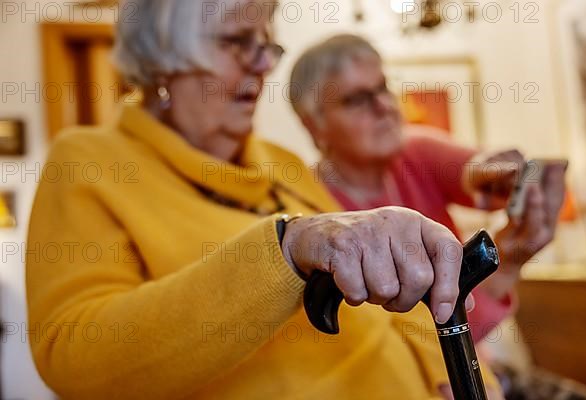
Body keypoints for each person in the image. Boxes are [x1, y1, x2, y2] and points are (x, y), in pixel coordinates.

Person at [26, 1, 500, 399]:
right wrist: (284, 249)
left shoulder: (284, 163)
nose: (263, 63)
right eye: (237, 42)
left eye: (266, 44)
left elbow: (394, 316)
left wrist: (457, 374)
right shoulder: (88, 161)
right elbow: (74, 356)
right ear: (162, 58)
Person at [289, 34, 567, 346]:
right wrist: (507, 263)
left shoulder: (415, 151)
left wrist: (499, 175)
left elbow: (475, 171)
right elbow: (399, 349)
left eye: (382, 88)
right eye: (357, 99)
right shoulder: (308, 208)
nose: (384, 106)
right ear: (314, 126)